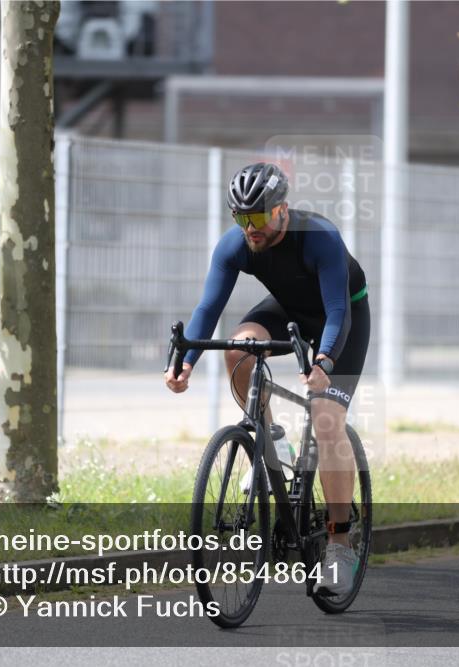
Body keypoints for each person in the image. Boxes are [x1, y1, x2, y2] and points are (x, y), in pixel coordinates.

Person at [164, 162, 370, 597]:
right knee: (240, 347)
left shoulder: (319, 238)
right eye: (241, 218)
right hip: (290, 309)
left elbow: (338, 313)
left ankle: (338, 542)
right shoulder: (234, 245)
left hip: (341, 316)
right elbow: (207, 311)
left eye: (257, 217)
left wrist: (324, 362)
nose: (250, 228)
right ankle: (272, 438)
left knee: (326, 419)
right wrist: (187, 361)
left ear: (282, 211)